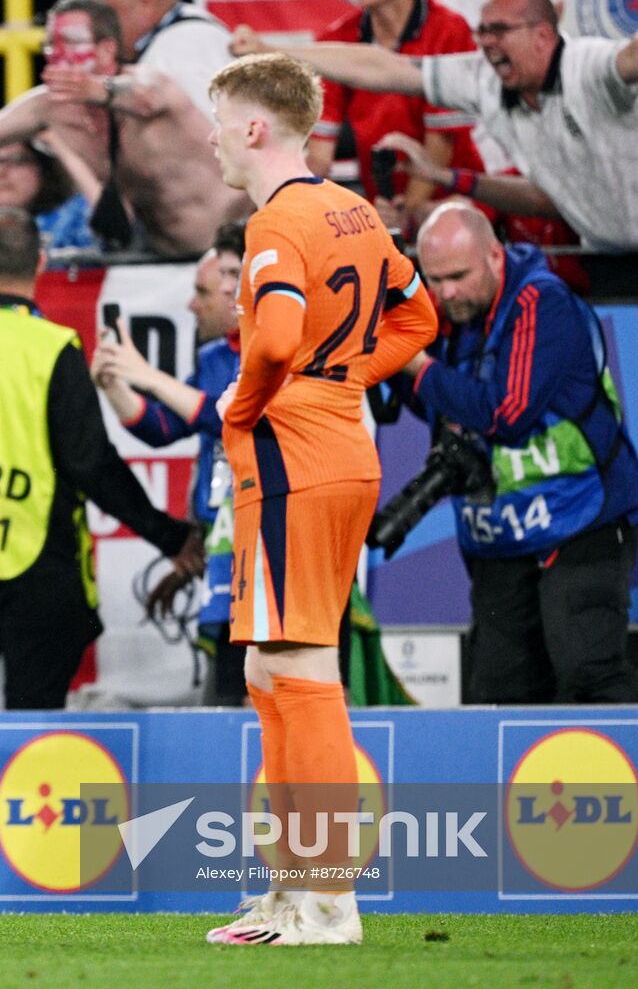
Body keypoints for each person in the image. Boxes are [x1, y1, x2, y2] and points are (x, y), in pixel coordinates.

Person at [202, 52, 437, 947]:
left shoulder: (274, 224)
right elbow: (417, 321)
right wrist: (341, 381)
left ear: (255, 126)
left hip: (293, 458)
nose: (213, 137)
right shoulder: (354, 210)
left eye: (219, 118)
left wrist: (253, 401)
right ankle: (293, 889)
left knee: (302, 673)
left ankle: (330, 900)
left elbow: (277, 340)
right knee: (273, 670)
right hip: (333, 444)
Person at [0, 206, 202, 710]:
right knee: (34, 729)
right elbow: (91, 462)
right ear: (42, 263)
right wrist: (171, 535)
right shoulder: (52, 347)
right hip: (41, 567)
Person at [231, 0, 638, 287]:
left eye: (500, 30)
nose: (486, 42)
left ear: (543, 35)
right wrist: (276, 51)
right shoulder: (485, 81)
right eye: (483, 30)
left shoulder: (589, 67)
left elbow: (635, 56)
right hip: (619, 263)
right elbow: (384, 67)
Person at [393, 203, 638, 705]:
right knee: (500, 695)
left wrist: (415, 364)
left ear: (494, 255)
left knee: (589, 671)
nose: (447, 293)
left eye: (458, 276)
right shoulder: (448, 314)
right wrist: (387, 364)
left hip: (583, 519)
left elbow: (505, 414)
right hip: (501, 536)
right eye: (435, 279)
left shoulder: (541, 301)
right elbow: (436, 404)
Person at [0, 0, 251, 259]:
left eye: (69, 43)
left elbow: (145, 95)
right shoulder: (53, 107)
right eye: (51, 46)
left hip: (238, 241)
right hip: (161, 258)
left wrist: (99, 89)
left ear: (105, 51)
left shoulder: (150, 84)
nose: (56, 57)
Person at [91, 220, 245, 704]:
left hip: (275, 553)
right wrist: (116, 383)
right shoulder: (218, 355)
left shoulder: (285, 350)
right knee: (229, 691)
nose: (192, 304)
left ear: (239, 283)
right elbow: (163, 427)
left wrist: (149, 376)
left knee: (266, 694)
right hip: (224, 553)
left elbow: (238, 423)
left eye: (203, 291)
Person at [306, 0, 484, 215]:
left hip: (452, 200)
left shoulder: (450, 29)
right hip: (381, 203)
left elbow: (441, 144)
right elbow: (318, 159)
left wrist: (406, 212)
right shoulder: (335, 41)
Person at [84, 0, 233, 120]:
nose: (94, 25)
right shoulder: (181, 34)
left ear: (145, 2)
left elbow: (218, 138)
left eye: (103, 13)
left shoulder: (182, 46)